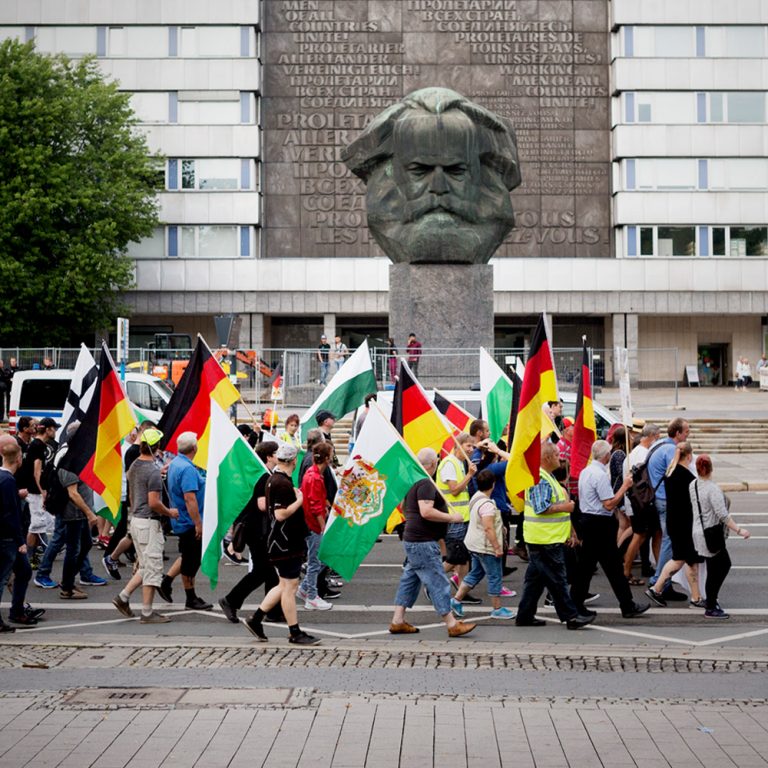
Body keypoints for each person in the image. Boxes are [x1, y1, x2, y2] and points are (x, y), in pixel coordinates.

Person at [389, 448, 477, 638]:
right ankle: (451, 623)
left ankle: (398, 620)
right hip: (422, 542)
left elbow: (405, 508)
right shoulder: (426, 483)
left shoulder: (413, 480)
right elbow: (426, 511)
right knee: (437, 581)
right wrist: (451, 517)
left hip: (415, 539)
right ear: (433, 464)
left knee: (410, 580)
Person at [241, 443, 319, 645]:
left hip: (279, 541)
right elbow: (280, 513)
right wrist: (299, 501)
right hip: (285, 542)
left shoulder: (274, 479)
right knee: (290, 586)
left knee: (284, 584)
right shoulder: (281, 483)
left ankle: (256, 619)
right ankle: (294, 632)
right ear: (294, 461)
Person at [515, 442, 594, 630]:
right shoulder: (540, 479)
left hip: (544, 538)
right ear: (547, 458)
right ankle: (571, 617)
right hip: (544, 540)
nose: (560, 458)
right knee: (557, 579)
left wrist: (569, 529)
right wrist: (566, 508)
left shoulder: (546, 477)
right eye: (557, 455)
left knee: (535, 582)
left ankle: (525, 615)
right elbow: (541, 508)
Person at [571, 440, 649, 619]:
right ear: (606, 456)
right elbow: (608, 504)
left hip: (589, 521)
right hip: (599, 524)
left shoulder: (586, 471)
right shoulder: (599, 475)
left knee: (595, 566)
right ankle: (624, 604)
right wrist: (625, 486)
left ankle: (625, 604)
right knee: (598, 567)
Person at [112, 428, 179, 623]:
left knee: (145, 565)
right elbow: (153, 502)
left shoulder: (135, 465)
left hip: (136, 519)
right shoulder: (153, 472)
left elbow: (135, 494)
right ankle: (147, 612)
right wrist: (169, 512)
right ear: (157, 446)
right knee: (152, 568)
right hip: (148, 522)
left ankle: (123, 597)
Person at [219, 442, 283, 624]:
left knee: (270, 572)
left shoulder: (263, 473)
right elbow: (262, 504)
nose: (278, 455)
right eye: (276, 453)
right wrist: (281, 504)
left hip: (258, 529)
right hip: (257, 530)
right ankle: (230, 600)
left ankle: (272, 611)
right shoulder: (263, 476)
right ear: (269, 456)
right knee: (262, 571)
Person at [689, 455, 751, 619]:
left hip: (698, 531)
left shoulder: (693, 485)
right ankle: (711, 604)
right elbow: (723, 515)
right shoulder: (712, 488)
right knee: (722, 566)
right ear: (711, 469)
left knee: (715, 567)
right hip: (711, 534)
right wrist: (740, 530)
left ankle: (711, 600)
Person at [645, 442, 705, 608]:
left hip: (674, 522)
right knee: (688, 560)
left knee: (681, 559)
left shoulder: (671, 472)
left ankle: (658, 589)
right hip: (685, 524)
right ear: (689, 456)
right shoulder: (688, 478)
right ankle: (694, 598)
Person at [451, 469, 515, 620]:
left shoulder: (476, 497)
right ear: (493, 484)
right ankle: (497, 608)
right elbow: (488, 527)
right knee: (495, 576)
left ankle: (456, 600)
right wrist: (497, 547)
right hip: (485, 547)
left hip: (474, 545)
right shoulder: (487, 505)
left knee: (475, 574)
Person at [165, 432, 212, 611]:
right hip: (189, 521)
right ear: (195, 448)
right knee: (191, 561)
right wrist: (198, 523)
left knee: (189, 558)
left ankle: (168, 582)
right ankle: (190, 597)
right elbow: (189, 498)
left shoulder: (176, 463)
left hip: (183, 519)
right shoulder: (187, 469)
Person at [646, 418, 690, 601]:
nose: (688, 434)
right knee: (669, 541)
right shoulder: (672, 450)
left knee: (667, 540)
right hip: (666, 500)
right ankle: (659, 582)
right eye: (686, 431)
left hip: (658, 498)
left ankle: (664, 582)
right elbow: (677, 474)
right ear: (678, 433)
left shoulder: (658, 444)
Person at [57, 424, 101, 600]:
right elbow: (73, 493)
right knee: (73, 549)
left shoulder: (78, 457)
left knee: (86, 545)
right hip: (74, 513)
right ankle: (67, 587)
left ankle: (67, 581)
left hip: (81, 512)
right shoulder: (70, 460)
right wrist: (90, 513)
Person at [0, 439, 37, 629]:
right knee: (3, 577)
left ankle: (17, 610)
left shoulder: (4, 479)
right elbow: (10, 514)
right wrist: (20, 540)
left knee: (23, 570)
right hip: (8, 538)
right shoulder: (7, 480)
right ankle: (13, 612)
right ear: (19, 459)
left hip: (8, 537)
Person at [437, 432, 477, 590]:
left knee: (464, 558)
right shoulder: (450, 463)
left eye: (473, 446)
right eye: (468, 445)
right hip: (454, 518)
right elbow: (454, 490)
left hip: (461, 517)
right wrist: (469, 475)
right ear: (457, 446)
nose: (471, 449)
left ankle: (462, 591)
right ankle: (432, 582)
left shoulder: (459, 463)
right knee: (454, 558)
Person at [623, 423, 662, 582]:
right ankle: (626, 570)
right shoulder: (644, 454)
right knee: (641, 536)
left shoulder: (634, 452)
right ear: (653, 437)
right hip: (642, 503)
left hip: (636, 501)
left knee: (647, 535)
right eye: (657, 437)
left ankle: (656, 569)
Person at [297, 442, 334, 611]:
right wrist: (323, 527)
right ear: (326, 458)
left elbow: (318, 500)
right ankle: (311, 596)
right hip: (313, 525)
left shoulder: (313, 474)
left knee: (319, 560)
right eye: (331, 454)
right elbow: (315, 506)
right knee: (315, 562)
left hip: (310, 523)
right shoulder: (314, 477)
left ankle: (305, 589)